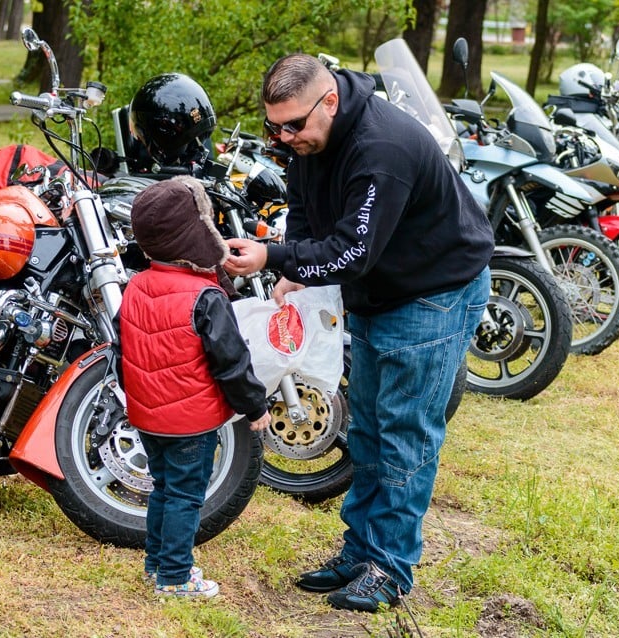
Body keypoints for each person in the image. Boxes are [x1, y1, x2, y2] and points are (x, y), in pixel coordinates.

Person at [224, 53, 494, 612]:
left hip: (432, 293)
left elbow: (353, 250)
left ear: (330, 101)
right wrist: (295, 267)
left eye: (294, 125)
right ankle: (360, 553)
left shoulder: (380, 149)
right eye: (274, 125)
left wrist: (275, 259)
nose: (284, 136)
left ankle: (390, 570)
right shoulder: (308, 140)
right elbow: (302, 211)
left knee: (404, 434)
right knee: (367, 428)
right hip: (379, 290)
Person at [118, 176, 270, 597]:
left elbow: (123, 352)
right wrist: (255, 407)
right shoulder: (206, 297)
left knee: (163, 489)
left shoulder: (134, 286)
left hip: (148, 418)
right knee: (186, 496)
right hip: (191, 424)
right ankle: (175, 577)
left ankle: (155, 564)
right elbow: (232, 363)